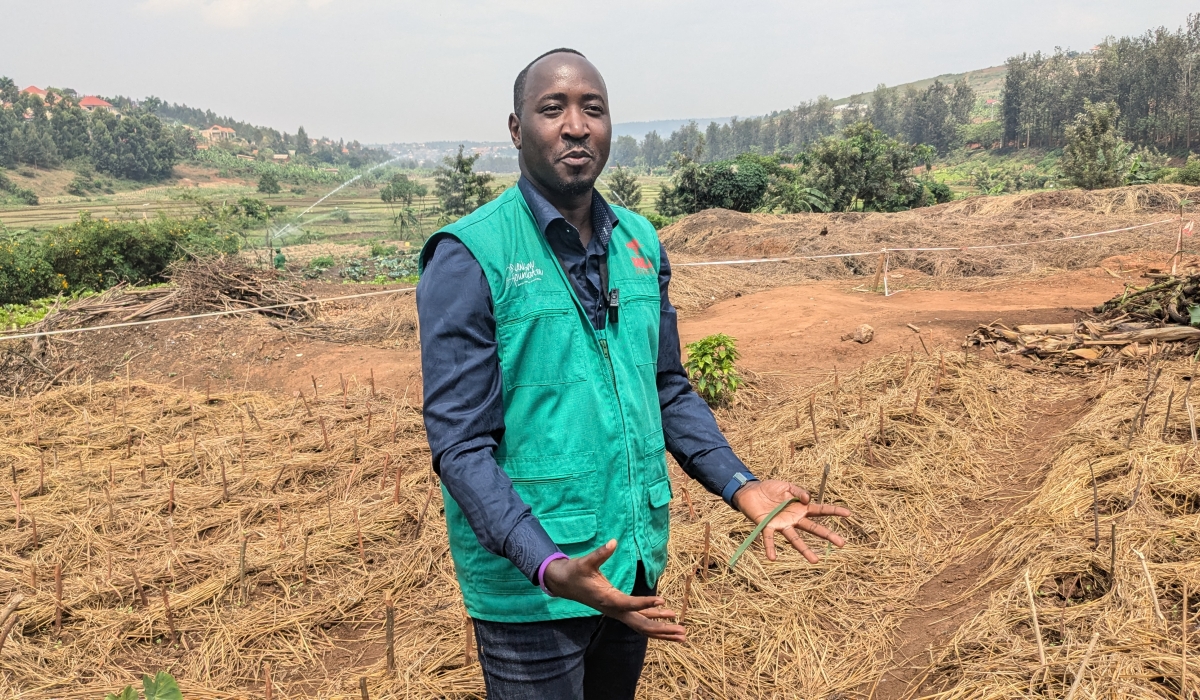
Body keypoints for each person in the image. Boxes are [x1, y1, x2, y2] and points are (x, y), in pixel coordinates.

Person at [416, 48, 851, 700]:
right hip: (534, 591)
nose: (575, 125)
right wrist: (548, 563)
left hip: (631, 562)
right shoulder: (470, 256)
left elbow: (666, 386)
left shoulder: (640, 243)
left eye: (593, 108)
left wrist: (742, 485)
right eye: (552, 108)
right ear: (516, 130)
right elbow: (459, 447)